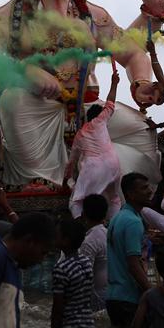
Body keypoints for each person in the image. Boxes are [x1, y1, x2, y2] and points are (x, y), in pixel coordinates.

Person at [66, 70, 123, 219]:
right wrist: (114, 84)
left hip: (93, 167)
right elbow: (110, 102)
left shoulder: (80, 134)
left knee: (76, 201)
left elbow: (71, 162)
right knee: (114, 199)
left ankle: (80, 228)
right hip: (114, 164)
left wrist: (66, 178)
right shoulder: (101, 120)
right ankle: (111, 228)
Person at [105, 172, 152, 327]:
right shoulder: (133, 222)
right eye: (144, 188)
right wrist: (153, 293)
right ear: (131, 194)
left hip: (113, 296)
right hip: (128, 297)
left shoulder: (117, 218)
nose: (150, 191)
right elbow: (133, 265)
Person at [50, 218, 95, 328]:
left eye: (56, 235)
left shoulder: (61, 268)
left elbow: (57, 308)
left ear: (66, 240)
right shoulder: (86, 262)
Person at [79, 194, 108, 311]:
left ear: (83, 214)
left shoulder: (89, 241)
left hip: (96, 298)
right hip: (111, 293)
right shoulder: (108, 233)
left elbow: (85, 277)